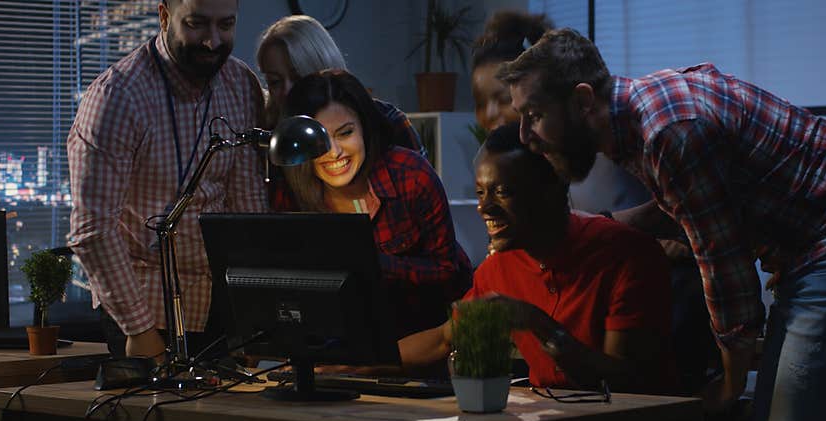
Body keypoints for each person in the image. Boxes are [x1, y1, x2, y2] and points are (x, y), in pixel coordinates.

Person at [497, 28, 826, 421]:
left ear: (582, 102)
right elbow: (694, 197)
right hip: (818, 246)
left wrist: (727, 388)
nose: (524, 135)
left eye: (534, 115)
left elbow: (728, 273)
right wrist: (616, 226)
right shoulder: (630, 120)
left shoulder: (666, 134)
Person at [472, 13, 714, 393]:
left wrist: (619, 230)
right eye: (481, 102)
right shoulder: (539, 151)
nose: (494, 117)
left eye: (506, 102)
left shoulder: (599, 145)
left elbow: (684, 216)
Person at [68, 0, 266, 421]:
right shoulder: (118, 95)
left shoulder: (239, 83)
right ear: (163, 16)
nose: (212, 41)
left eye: (226, 25)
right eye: (196, 24)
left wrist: (253, 318)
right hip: (142, 299)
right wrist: (138, 330)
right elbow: (92, 228)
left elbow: (247, 207)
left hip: (218, 302)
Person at [399, 123, 679, 395]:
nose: (485, 208)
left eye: (502, 192)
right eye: (481, 193)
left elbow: (624, 385)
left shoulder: (627, 256)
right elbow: (443, 339)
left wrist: (538, 323)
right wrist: (360, 364)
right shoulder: (495, 270)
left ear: (553, 190)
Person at [278, 69, 472, 341]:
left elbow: (448, 271)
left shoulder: (410, 175)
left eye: (345, 133)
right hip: (341, 339)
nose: (334, 152)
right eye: (320, 140)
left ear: (365, 129)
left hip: (424, 337)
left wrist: (374, 265)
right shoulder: (290, 190)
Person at [257, 15, 424, 157]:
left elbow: (425, 188)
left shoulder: (386, 123)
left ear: (323, 69)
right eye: (275, 82)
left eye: (298, 77)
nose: (287, 91)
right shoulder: (269, 134)